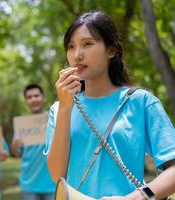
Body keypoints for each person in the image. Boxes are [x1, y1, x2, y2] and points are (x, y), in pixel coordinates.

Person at [44, 11, 175, 199]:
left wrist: (136, 197)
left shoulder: (141, 102)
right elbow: (57, 176)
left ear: (111, 51)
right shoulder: (58, 110)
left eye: (87, 44)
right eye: (71, 47)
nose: (77, 55)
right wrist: (65, 109)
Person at [11, 84, 56, 200]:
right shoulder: (22, 126)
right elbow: (18, 154)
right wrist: (15, 148)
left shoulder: (56, 119)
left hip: (53, 184)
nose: (33, 99)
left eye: (36, 96)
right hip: (29, 185)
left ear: (43, 98)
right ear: (26, 101)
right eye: (29, 97)